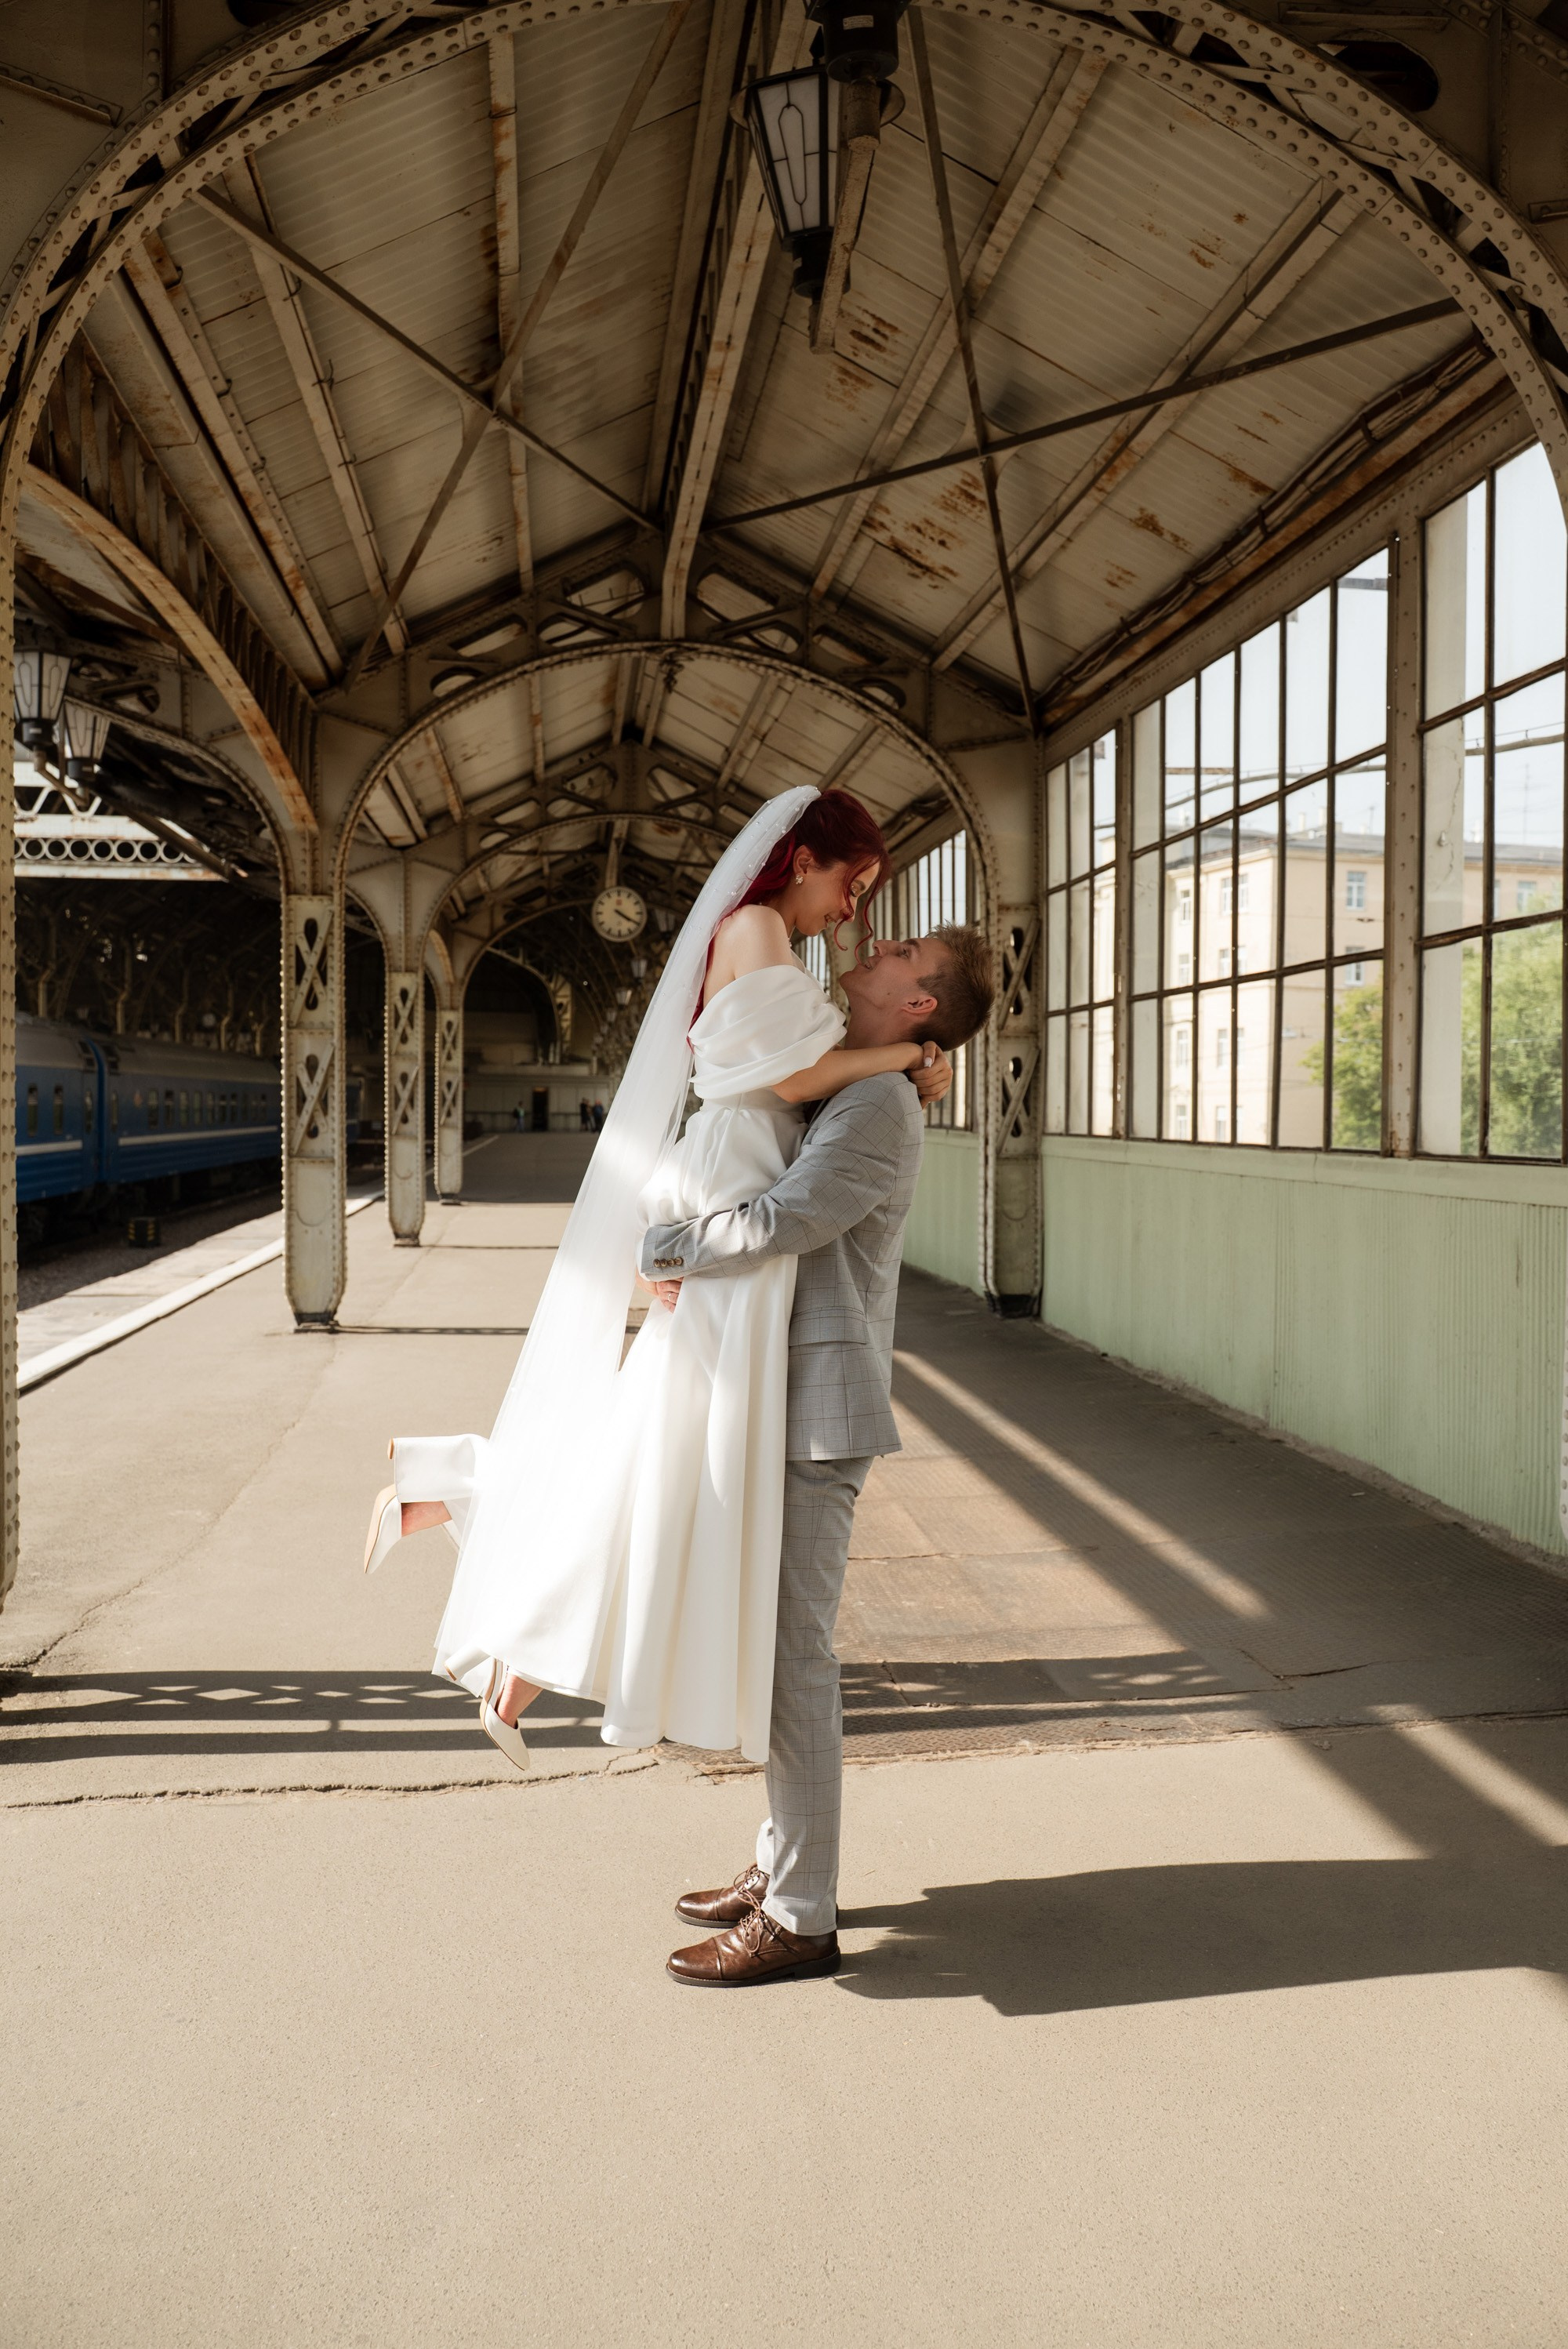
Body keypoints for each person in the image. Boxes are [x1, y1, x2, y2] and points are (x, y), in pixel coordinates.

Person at [361, 787, 949, 1777]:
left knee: (662, 1444)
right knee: (675, 1454)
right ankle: (465, 1505)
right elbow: (803, 1081)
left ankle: (466, 1511)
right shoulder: (759, 924)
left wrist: (899, 1063)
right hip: (737, 1189)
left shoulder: (768, 936)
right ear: (802, 858)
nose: (851, 913)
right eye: (852, 885)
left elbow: (797, 1078)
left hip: (729, 1177)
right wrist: (914, 1057)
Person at [646, 920, 993, 1986]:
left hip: (816, 1415)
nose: (876, 942)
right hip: (782, 1399)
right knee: (776, 1650)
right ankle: (778, 1864)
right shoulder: (867, 1079)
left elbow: (790, 1218)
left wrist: (664, 1247)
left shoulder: (881, 1105)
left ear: (922, 1002)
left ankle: (801, 1914)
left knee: (797, 1663)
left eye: (902, 952)